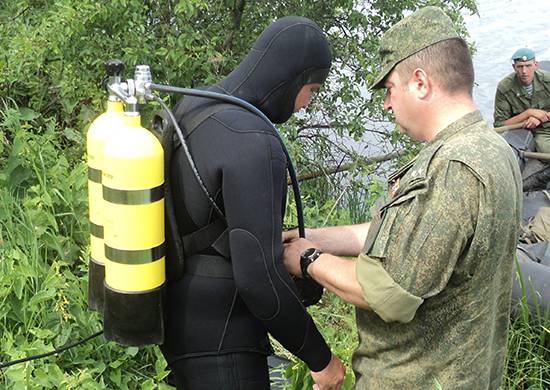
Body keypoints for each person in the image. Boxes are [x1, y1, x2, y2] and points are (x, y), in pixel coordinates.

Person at [283, 6, 522, 389]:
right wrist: (314, 235)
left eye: (390, 88)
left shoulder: (453, 169)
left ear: (421, 83)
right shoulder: (491, 148)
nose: (387, 104)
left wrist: (307, 258)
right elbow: (395, 232)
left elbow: (386, 292)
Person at [160, 16, 345, 390]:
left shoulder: (193, 105)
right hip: (224, 348)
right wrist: (321, 359)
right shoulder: (253, 140)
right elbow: (259, 280)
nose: (305, 105)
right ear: (293, 79)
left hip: (179, 325)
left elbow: (203, 218)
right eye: (311, 90)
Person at [494, 47, 550, 152]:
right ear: (514, 67)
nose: (524, 71)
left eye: (528, 66)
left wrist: (543, 116)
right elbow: (500, 125)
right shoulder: (505, 87)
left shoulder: (548, 80)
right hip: (540, 132)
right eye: (520, 67)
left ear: (536, 65)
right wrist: (528, 114)